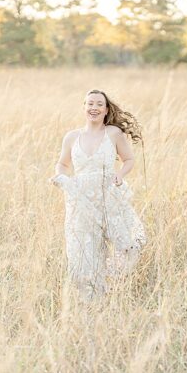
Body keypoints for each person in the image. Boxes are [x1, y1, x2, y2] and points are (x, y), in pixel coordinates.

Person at [50, 89, 146, 301]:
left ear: (106, 110)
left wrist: (120, 174)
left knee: (127, 244)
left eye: (99, 104)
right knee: (84, 250)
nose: (94, 108)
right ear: (84, 107)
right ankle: (91, 299)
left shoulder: (113, 133)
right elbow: (62, 164)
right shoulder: (72, 137)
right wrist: (61, 177)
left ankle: (112, 282)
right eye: (90, 104)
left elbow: (128, 159)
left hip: (108, 195)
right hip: (81, 199)